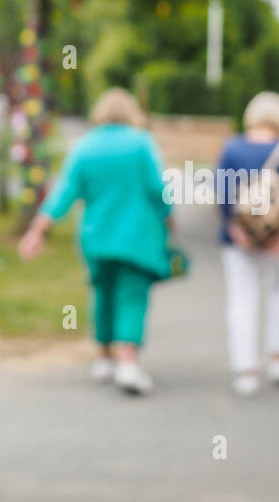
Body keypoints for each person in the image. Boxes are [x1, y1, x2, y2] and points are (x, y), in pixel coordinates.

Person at [19, 88, 172, 396]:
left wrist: (38, 229)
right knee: (131, 295)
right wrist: (167, 215)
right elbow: (158, 189)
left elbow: (65, 192)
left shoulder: (84, 148)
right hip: (136, 237)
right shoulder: (141, 144)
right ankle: (127, 362)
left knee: (102, 293)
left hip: (96, 237)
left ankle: (103, 356)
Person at [215, 91, 279, 398]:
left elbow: (222, 192)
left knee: (242, 298)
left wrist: (235, 228)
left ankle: (247, 371)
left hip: (237, 239)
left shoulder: (232, 149)